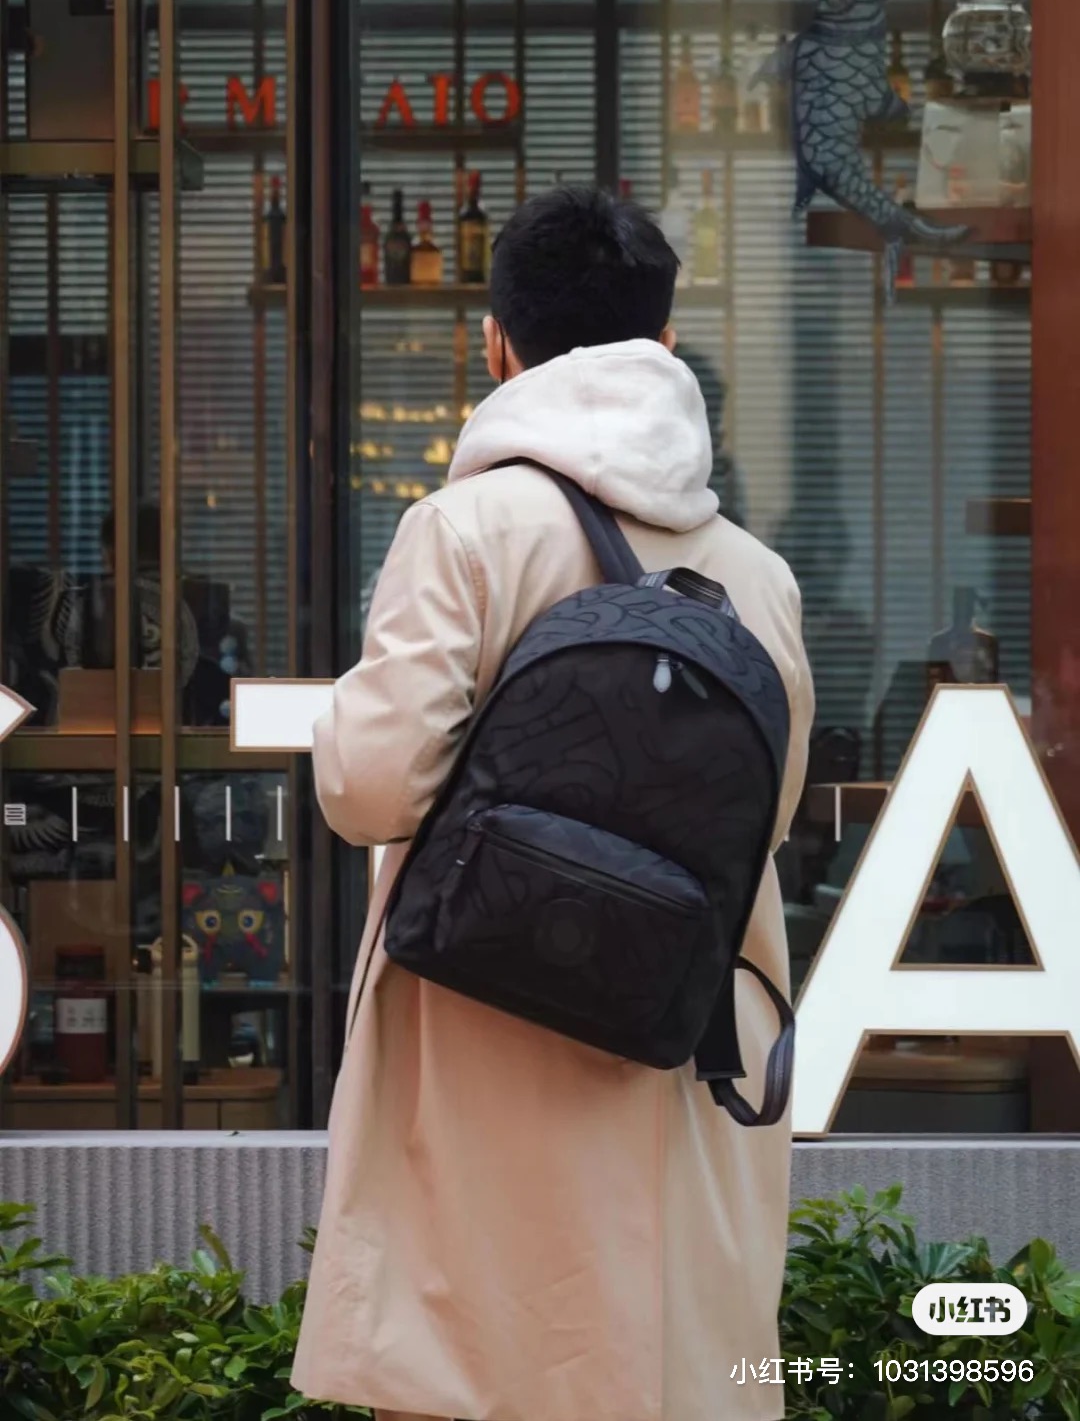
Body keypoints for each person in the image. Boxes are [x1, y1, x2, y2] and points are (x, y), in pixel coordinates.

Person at [292, 186, 814, 1421]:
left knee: (482, 1361)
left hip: (487, 1050)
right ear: (666, 343)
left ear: (496, 345)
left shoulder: (463, 530)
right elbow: (771, 816)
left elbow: (370, 787)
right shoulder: (757, 574)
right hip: (674, 1043)